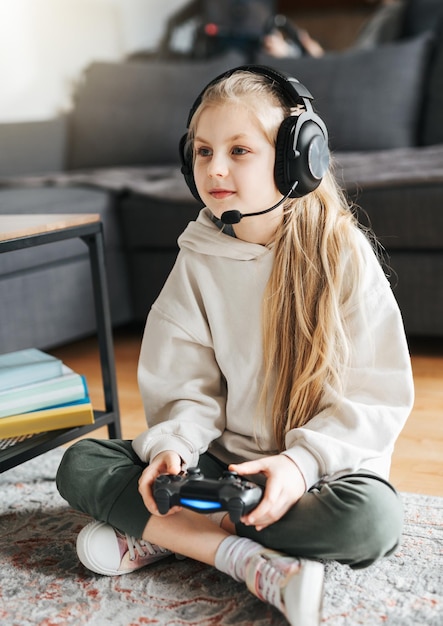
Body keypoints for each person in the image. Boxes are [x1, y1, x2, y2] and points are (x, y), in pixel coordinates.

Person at [56, 65, 414, 626]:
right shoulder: (197, 255)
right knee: (80, 463)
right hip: (221, 468)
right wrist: (174, 447)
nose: (215, 167)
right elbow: (185, 384)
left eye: (239, 150)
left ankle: (170, 535)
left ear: (299, 158)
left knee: (370, 522)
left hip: (316, 474)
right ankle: (244, 557)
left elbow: (374, 396)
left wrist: (300, 466)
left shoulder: (342, 253)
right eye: (202, 151)